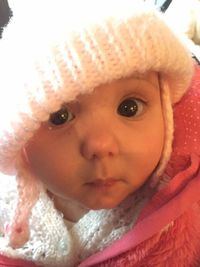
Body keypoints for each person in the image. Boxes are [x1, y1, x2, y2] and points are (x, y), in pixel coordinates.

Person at [0, 0, 200, 266]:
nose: (100, 145)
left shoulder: (184, 210)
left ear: (166, 112)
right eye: (59, 117)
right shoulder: (9, 208)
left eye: (129, 108)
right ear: (19, 140)